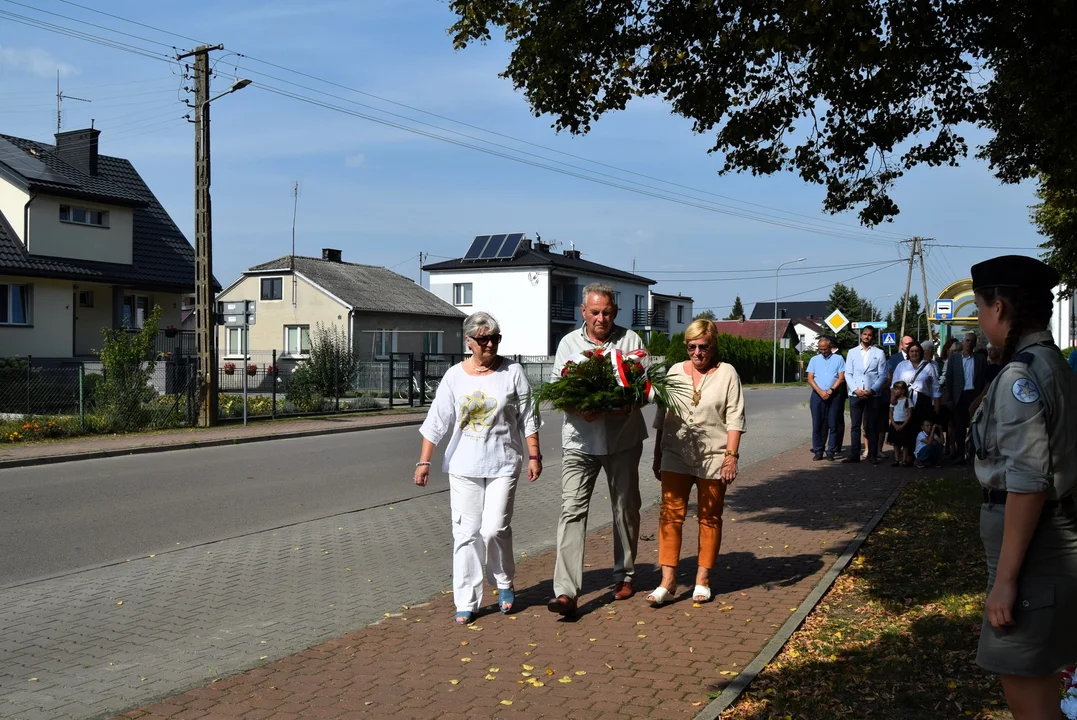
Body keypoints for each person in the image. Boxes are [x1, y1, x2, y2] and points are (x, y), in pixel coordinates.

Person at [968, 255, 1077, 718]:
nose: (979, 319)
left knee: (1028, 691)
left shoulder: (1019, 376)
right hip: (1050, 543)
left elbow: (1029, 483)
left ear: (998, 308)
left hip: (1034, 554)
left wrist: (1006, 582)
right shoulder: (1051, 363)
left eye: (978, 308)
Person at [414, 312, 542, 624]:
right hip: (463, 465)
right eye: (483, 339)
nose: (489, 344)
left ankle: (503, 582)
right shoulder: (454, 376)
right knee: (466, 533)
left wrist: (535, 455)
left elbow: (529, 415)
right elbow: (437, 420)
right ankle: (467, 600)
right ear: (468, 341)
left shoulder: (512, 372)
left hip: (503, 462)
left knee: (493, 528)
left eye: (495, 338)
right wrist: (424, 461)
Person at [548, 283, 648, 616]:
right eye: (594, 312)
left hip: (623, 438)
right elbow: (557, 391)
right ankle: (565, 591)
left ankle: (625, 575)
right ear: (583, 312)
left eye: (606, 311)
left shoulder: (631, 341)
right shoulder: (567, 344)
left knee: (625, 509)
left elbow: (645, 389)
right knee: (572, 510)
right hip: (580, 441)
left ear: (615, 312)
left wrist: (626, 405)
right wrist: (580, 409)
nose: (601, 318)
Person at [647, 320, 746, 606]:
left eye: (704, 347)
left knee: (709, 517)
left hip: (714, 456)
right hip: (675, 454)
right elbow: (662, 417)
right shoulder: (675, 371)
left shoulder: (727, 373)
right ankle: (668, 581)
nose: (698, 352)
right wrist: (657, 454)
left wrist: (731, 457)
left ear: (714, 347)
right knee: (670, 515)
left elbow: (735, 419)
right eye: (692, 347)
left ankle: (702, 579)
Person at [841, 325, 888, 464]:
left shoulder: (879, 353)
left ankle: (873, 455)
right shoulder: (852, 352)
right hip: (855, 394)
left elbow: (883, 375)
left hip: (872, 395)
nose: (867, 337)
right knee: (855, 426)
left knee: (872, 425)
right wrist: (855, 389)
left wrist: (872, 390)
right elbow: (848, 373)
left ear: (873, 337)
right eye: (865, 334)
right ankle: (855, 454)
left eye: (870, 335)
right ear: (861, 335)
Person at [945, 331, 988, 464]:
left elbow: (984, 378)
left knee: (976, 425)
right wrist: (950, 398)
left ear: (975, 343)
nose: (969, 343)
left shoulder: (980, 359)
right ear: (962, 342)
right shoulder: (954, 359)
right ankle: (960, 453)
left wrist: (982, 397)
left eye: (972, 341)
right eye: (967, 341)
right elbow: (949, 379)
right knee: (959, 427)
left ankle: (974, 454)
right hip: (960, 396)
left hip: (974, 395)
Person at [806, 336, 846, 461]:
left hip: (833, 395)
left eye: (825, 349)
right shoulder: (814, 359)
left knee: (833, 423)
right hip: (817, 395)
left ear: (830, 347)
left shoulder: (838, 359)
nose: (823, 351)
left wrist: (831, 390)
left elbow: (841, 377)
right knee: (817, 424)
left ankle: (831, 451)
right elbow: (810, 378)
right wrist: (820, 391)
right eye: (821, 349)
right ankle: (818, 450)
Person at [887, 381, 913, 467]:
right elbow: (890, 413)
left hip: (904, 424)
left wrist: (903, 425)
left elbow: (909, 414)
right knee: (896, 443)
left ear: (903, 390)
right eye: (894, 389)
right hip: (895, 423)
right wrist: (894, 424)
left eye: (897, 389)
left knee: (905, 444)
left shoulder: (908, 400)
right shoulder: (893, 401)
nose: (895, 391)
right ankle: (896, 460)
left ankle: (904, 460)